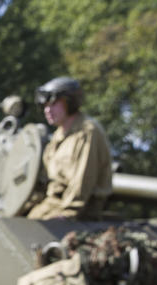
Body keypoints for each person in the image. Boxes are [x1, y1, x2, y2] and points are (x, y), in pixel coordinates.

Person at [27, 76, 113, 220]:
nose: (47, 110)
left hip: (76, 211)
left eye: (53, 104)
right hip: (51, 204)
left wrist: (67, 214)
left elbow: (83, 178)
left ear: (69, 103)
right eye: (45, 106)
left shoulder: (86, 131)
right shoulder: (58, 135)